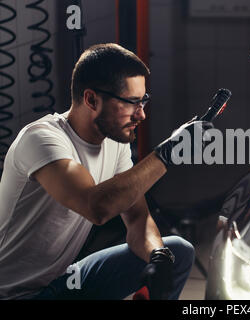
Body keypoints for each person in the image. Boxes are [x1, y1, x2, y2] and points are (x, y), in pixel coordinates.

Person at [0, 43, 212, 300]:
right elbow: (96, 207)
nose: (141, 114)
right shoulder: (42, 140)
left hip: (63, 280)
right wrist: (168, 152)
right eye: (131, 103)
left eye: (143, 100)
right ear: (91, 99)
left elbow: (137, 219)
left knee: (177, 251)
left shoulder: (114, 143)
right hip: (17, 294)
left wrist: (158, 258)